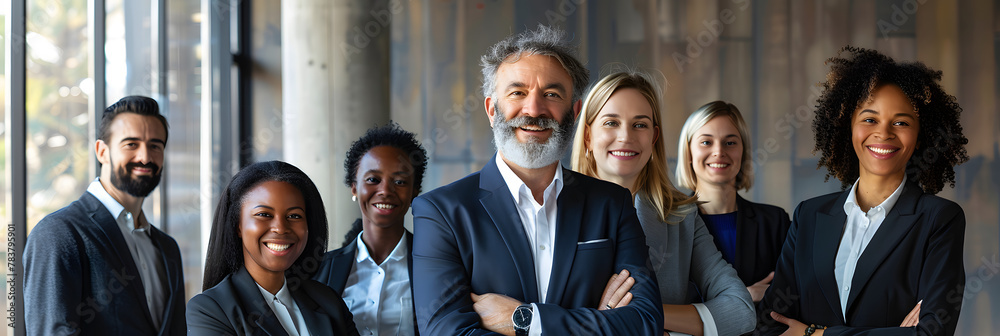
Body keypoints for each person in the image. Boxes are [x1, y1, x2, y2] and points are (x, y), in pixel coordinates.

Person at [411, 25, 664, 336]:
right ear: (492, 109)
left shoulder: (613, 203)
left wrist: (527, 321)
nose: (534, 109)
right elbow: (445, 332)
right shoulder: (441, 212)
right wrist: (597, 325)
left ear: (574, 111)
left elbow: (645, 323)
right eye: (518, 92)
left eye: (552, 94)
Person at [756, 46, 969, 336]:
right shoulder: (809, 215)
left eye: (902, 122)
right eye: (870, 119)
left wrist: (815, 334)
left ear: (920, 136)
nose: (884, 133)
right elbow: (771, 323)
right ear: (849, 127)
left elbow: (932, 333)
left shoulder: (939, 220)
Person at [571, 71, 755, 336]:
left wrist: (646, 314)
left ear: (654, 138)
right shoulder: (556, 208)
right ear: (588, 136)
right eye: (611, 122)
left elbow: (740, 310)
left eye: (640, 124)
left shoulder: (681, 215)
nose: (626, 137)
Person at [23, 96, 186, 335]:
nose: (145, 157)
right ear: (102, 151)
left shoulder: (168, 249)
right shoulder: (58, 233)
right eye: (131, 144)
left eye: (155, 145)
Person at [187, 161, 359, 336]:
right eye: (264, 215)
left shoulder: (328, 301)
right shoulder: (210, 310)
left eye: (294, 215)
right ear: (237, 225)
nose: (281, 228)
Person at [314, 121, 427, 336]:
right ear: (354, 187)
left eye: (400, 182)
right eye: (373, 179)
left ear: (415, 191)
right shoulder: (321, 270)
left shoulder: (434, 266)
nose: (385, 190)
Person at [675, 101, 791, 302]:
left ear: (743, 151)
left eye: (730, 142)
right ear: (689, 153)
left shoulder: (775, 222)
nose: (719, 152)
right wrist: (744, 296)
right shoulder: (668, 223)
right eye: (706, 142)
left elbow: (794, 293)